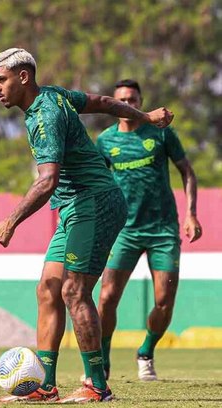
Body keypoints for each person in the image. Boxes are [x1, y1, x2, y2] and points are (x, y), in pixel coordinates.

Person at [0, 48, 174, 403]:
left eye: (1, 80)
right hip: (75, 207)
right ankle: (45, 386)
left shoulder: (45, 115)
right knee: (49, 288)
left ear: (23, 76)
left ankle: (97, 386)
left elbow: (47, 181)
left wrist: (11, 221)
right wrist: (146, 116)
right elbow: (104, 101)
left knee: (74, 291)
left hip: (95, 202)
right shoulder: (55, 95)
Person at [95, 79, 202, 381]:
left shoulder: (161, 132)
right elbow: (97, 183)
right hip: (123, 231)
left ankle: (145, 351)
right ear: (113, 105)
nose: (128, 105)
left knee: (164, 301)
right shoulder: (105, 141)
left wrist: (191, 214)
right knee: (106, 298)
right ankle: (102, 361)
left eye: (133, 99)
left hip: (163, 230)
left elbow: (187, 172)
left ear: (141, 102)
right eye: (122, 101)